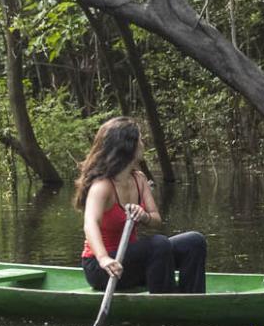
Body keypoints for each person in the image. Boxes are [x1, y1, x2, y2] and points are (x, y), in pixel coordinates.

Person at [76, 117, 207, 294]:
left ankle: (192, 299)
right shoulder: (102, 186)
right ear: (128, 146)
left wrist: (144, 215)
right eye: (140, 140)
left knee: (194, 241)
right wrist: (103, 258)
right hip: (103, 268)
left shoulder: (139, 179)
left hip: (130, 262)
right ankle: (166, 302)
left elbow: (156, 219)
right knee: (158, 244)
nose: (143, 144)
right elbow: (90, 224)